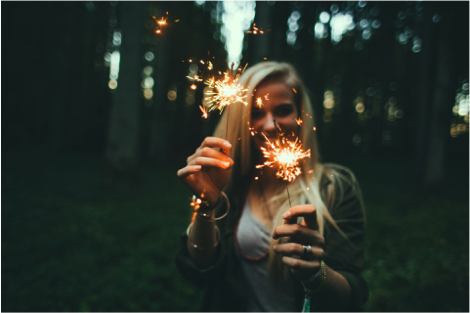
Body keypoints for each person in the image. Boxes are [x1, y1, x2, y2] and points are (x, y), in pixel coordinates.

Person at [176, 62, 368, 313]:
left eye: (283, 110)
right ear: (240, 119)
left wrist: (315, 273)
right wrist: (207, 203)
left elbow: (352, 295)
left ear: (301, 115)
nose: (270, 125)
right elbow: (200, 271)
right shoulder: (230, 184)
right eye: (256, 112)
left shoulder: (335, 187)